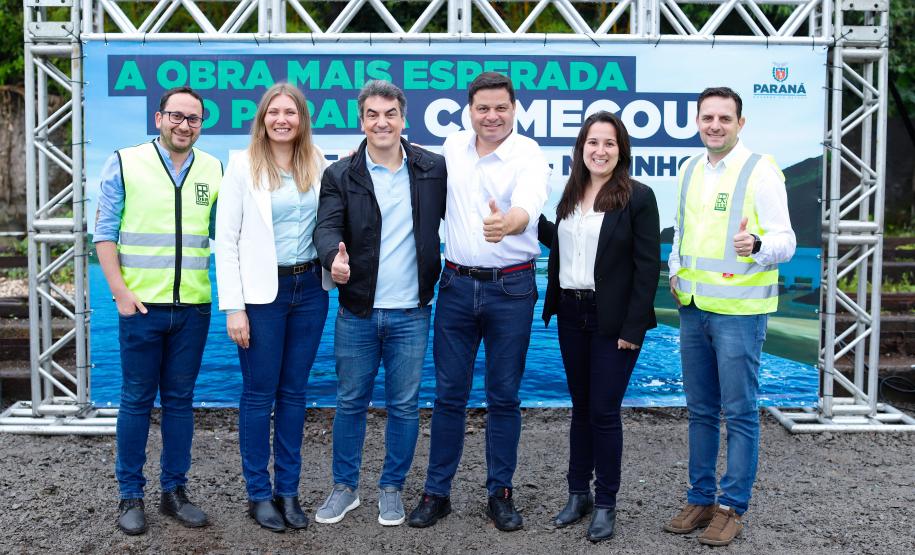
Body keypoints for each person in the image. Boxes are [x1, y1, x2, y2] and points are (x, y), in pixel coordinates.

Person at [407, 72, 550, 532]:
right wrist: (359, 153)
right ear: (470, 111)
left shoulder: (528, 154)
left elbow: (528, 205)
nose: (492, 116)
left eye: (501, 108)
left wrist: (508, 223)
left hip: (511, 289)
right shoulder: (452, 148)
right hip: (455, 286)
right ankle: (437, 493)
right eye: (483, 108)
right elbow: (405, 158)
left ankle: (500, 493)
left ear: (514, 109)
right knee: (448, 395)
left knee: (503, 396)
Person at [664, 87, 796, 546]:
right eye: (707, 117)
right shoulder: (688, 170)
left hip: (740, 313)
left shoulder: (761, 170)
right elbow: (682, 230)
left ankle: (732, 507)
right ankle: (700, 498)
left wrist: (758, 247)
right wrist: (675, 270)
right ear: (697, 122)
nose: (714, 125)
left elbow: (786, 240)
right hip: (694, 310)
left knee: (739, 414)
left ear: (741, 123)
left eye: (724, 117)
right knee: (701, 411)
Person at [312, 80, 447, 527]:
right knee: (350, 401)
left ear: (403, 118)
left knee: (405, 405)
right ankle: (345, 488)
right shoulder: (340, 174)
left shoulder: (432, 168)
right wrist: (334, 259)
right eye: (372, 114)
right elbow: (326, 229)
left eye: (389, 113)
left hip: (412, 311)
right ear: (361, 120)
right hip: (357, 311)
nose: (381, 121)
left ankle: (391, 488)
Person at [94, 86, 222, 535]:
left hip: (193, 307)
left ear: (201, 124)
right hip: (141, 307)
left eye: (194, 119)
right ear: (158, 118)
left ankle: (174, 492)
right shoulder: (125, 162)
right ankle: (130, 495)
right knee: (135, 401)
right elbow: (104, 233)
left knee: (181, 403)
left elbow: (224, 233)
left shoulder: (213, 168)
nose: (184, 125)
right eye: (176, 116)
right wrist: (119, 292)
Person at [538, 111, 660, 542]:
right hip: (572, 315)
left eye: (609, 143)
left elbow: (648, 269)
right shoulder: (569, 196)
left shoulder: (638, 198)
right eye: (593, 142)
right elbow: (567, 246)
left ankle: (605, 502)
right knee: (581, 408)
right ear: (581, 148)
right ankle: (578, 494)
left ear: (621, 150)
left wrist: (633, 329)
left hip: (614, 323)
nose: (600, 151)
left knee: (604, 412)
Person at [215, 83, 330, 533]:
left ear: (302, 119)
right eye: (274, 112)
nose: (282, 120)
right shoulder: (242, 166)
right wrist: (234, 308)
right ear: (262, 118)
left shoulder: (317, 164)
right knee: (259, 395)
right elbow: (225, 243)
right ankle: (258, 495)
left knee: (295, 396)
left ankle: (288, 491)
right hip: (262, 297)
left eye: (291, 113)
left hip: (310, 292)